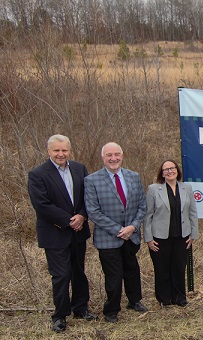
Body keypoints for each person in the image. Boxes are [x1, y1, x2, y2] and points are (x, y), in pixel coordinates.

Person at [28, 134, 98, 332]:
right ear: (49, 151)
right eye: (56, 150)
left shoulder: (79, 168)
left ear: (69, 150)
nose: (61, 154)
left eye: (64, 150)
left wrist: (83, 216)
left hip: (78, 231)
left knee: (78, 272)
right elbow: (41, 205)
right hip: (55, 233)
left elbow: (88, 196)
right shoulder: (38, 173)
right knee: (60, 275)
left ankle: (80, 308)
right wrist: (70, 221)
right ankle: (60, 316)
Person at [84, 142, 148, 323]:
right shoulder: (92, 180)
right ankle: (111, 310)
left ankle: (135, 301)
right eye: (109, 155)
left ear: (122, 155)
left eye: (117, 154)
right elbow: (93, 211)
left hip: (132, 235)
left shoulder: (134, 177)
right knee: (113, 276)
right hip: (108, 238)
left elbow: (142, 206)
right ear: (103, 158)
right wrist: (119, 230)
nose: (113, 158)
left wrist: (133, 227)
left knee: (132, 270)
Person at [144, 160, 199, 307]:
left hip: (182, 236)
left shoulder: (186, 188)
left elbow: (192, 213)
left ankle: (180, 298)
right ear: (161, 173)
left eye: (172, 168)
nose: (170, 171)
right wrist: (148, 238)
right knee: (162, 269)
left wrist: (194, 234)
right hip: (160, 237)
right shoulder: (154, 189)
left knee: (179, 268)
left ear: (177, 170)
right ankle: (164, 299)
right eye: (166, 169)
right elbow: (148, 215)